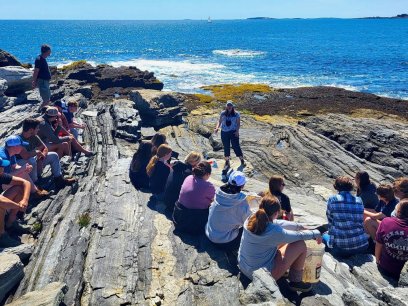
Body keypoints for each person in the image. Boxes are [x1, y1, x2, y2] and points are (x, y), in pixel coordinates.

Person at [238, 195, 323, 292]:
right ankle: (296, 282)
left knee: (283, 242)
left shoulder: (251, 218)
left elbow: (278, 223)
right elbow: (298, 236)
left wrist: (299, 226)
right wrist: (315, 233)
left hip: (244, 267)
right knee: (299, 244)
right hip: (261, 276)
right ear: (276, 213)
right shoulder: (274, 231)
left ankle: (283, 272)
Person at [17, 118, 77, 189]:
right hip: (22, 166)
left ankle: (59, 179)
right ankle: (36, 184)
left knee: (53, 155)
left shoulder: (34, 136)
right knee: (31, 160)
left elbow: (45, 148)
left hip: (35, 162)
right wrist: (37, 153)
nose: (38, 130)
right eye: (37, 128)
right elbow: (25, 156)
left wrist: (41, 158)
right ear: (31, 130)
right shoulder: (18, 140)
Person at [323, 176, 368, 257]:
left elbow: (330, 219)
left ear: (336, 186)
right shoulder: (359, 200)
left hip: (342, 248)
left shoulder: (333, 199)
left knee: (324, 236)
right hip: (362, 245)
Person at [205, 171, 251, 251]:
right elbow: (247, 220)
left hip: (209, 233)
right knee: (248, 228)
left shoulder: (218, 193)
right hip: (224, 242)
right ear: (242, 185)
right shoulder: (242, 201)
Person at [173, 161, 215, 234]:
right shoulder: (209, 186)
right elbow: (213, 200)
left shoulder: (188, 177)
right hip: (194, 223)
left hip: (178, 218)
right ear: (208, 174)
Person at [0, 157, 31, 247]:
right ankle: (2, 235)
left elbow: (25, 183)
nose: (3, 168)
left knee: (19, 188)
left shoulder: (1, 175)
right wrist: (18, 206)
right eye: (1, 166)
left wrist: (25, 200)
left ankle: (10, 223)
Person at [375, 199, 408, 280]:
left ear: (399, 212)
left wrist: (377, 261)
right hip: (404, 273)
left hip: (385, 268)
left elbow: (378, 244)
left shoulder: (386, 222)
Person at [214, 101, 245, 168]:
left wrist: (237, 131)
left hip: (233, 132)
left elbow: (238, 123)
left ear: (232, 106)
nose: (229, 106)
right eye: (228, 105)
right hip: (224, 132)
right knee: (226, 146)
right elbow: (219, 121)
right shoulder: (223, 113)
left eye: (230, 105)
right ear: (226, 106)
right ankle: (227, 161)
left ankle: (242, 160)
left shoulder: (236, 114)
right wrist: (217, 128)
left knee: (236, 146)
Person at [32, 44, 52, 109]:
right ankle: (40, 111)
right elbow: (36, 71)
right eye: (49, 51)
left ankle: (42, 111)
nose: (50, 53)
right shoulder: (39, 59)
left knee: (48, 99)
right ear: (46, 51)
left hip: (45, 81)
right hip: (42, 81)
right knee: (46, 100)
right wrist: (34, 81)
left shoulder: (42, 59)